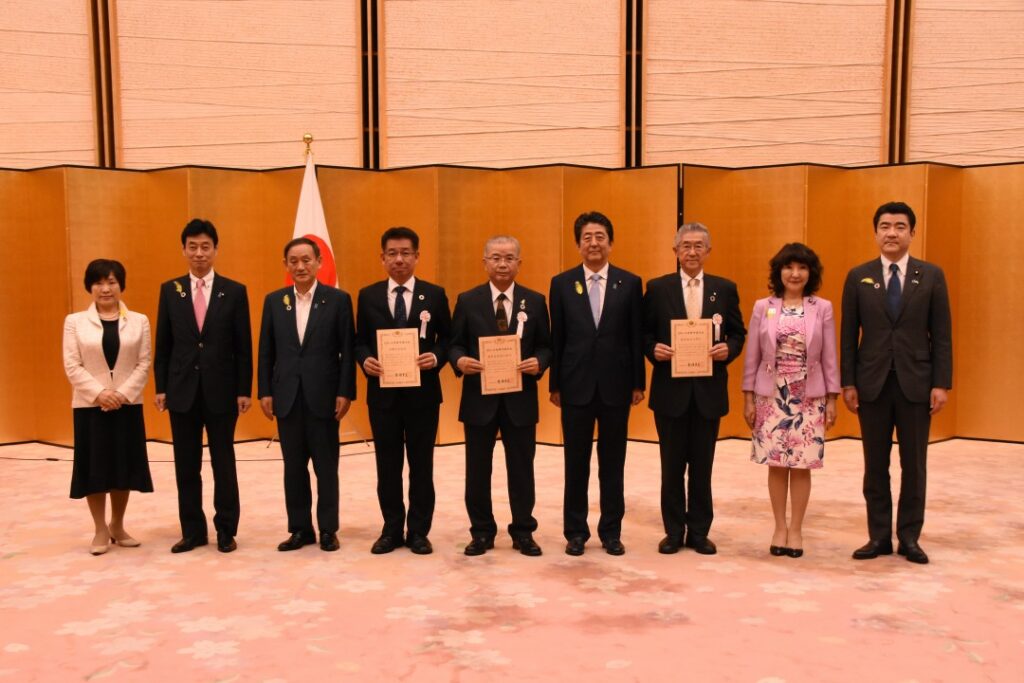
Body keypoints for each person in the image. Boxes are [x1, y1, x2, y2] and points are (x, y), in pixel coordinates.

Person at [841, 201, 952, 565]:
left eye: (900, 226)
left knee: (914, 465)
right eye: (885, 226)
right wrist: (848, 382)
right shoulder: (858, 276)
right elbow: (848, 335)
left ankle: (909, 537)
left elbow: (942, 335)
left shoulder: (931, 275)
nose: (892, 233)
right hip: (871, 384)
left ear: (912, 233)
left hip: (916, 384)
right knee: (875, 465)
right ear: (875, 232)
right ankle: (877, 536)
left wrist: (941, 383)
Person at [643, 223, 745, 555]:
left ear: (708, 251)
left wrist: (729, 348)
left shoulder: (724, 289)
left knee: (702, 467)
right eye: (685, 246)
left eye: (698, 246)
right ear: (675, 251)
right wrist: (652, 349)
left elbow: (737, 333)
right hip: (670, 392)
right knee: (671, 467)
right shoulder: (657, 288)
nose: (691, 251)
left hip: (707, 392)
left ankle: (699, 532)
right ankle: (673, 532)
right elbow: (642, 333)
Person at [449, 235, 552, 557]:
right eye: (496, 258)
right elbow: (454, 344)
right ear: (485, 263)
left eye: (509, 258)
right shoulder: (468, 300)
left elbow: (546, 346)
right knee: (477, 470)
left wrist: (539, 362)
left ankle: (523, 531)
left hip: (520, 400)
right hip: (479, 400)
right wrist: (459, 361)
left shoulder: (535, 301)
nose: (502, 264)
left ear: (519, 263)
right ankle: (481, 532)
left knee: (522, 469)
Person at [549, 211, 644, 556]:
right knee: (576, 463)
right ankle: (575, 532)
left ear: (611, 243)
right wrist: (555, 385)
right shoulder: (562, 283)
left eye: (600, 236)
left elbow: (635, 336)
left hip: (616, 386)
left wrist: (638, 382)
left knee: (613, 463)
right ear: (578, 244)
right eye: (587, 237)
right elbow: (558, 337)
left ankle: (611, 532)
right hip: (575, 386)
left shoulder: (629, 283)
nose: (593, 243)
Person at [154, 219, 252, 554]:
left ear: (215, 250)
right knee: (186, 465)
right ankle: (192, 531)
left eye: (205, 247)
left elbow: (243, 346)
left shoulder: (234, 291)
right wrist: (161, 387)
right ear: (184, 250)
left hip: (222, 390)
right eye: (192, 247)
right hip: (181, 391)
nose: (199, 253)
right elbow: (163, 345)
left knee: (223, 463)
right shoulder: (170, 290)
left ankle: (226, 529)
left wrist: (244, 389)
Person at [355, 227, 451, 555]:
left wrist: (435, 357)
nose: (399, 259)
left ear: (417, 256)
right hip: (383, 396)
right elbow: (359, 341)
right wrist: (364, 359)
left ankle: (419, 531)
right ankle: (392, 529)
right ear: (382, 258)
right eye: (392, 253)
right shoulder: (368, 295)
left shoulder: (434, 295)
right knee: (388, 465)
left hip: (423, 395)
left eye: (406, 253)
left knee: (422, 465)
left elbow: (449, 339)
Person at [257, 237, 356, 552]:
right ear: (286, 265)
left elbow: (347, 350)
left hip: (324, 397)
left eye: (306, 260)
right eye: (293, 261)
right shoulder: (275, 301)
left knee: (326, 467)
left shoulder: (338, 300)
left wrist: (346, 391)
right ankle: (300, 529)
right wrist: (264, 391)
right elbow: (266, 350)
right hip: (287, 396)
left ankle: (328, 529)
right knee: (294, 468)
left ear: (319, 262)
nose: (300, 266)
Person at [742, 243, 839, 558]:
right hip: (770, 395)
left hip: (809, 396)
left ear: (811, 273)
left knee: (801, 465)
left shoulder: (821, 307)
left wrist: (832, 398)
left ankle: (796, 529)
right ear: (779, 271)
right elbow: (752, 356)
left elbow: (829, 357)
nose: (795, 274)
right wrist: (748, 398)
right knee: (776, 464)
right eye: (788, 267)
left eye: (802, 268)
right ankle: (779, 527)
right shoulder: (764, 306)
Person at [62, 259, 153, 555]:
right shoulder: (74, 322)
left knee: (123, 466)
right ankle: (100, 528)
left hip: (127, 405)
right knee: (95, 468)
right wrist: (100, 394)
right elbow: (72, 365)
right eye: (99, 282)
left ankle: (118, 525)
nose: (105, 288)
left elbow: (144, 363)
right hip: (90, 407)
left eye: (112, 282)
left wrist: (121, 394)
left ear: (121, 285)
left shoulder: (139, 321)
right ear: (89, 286)